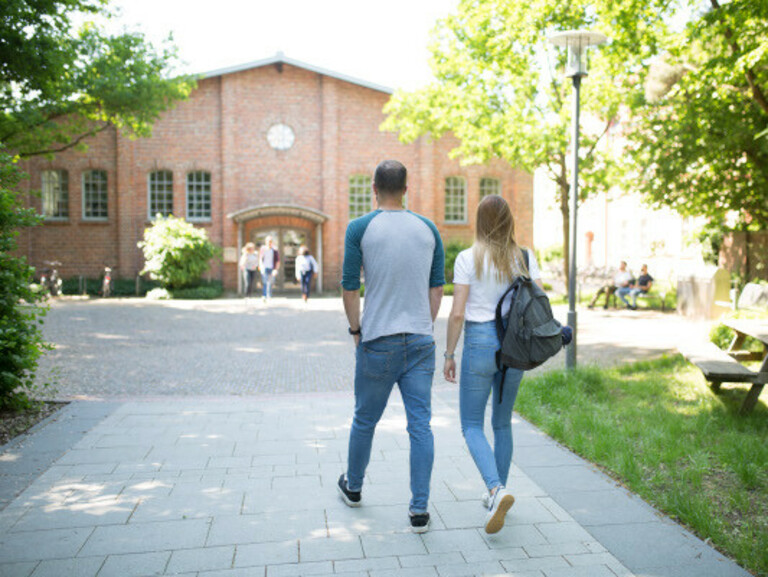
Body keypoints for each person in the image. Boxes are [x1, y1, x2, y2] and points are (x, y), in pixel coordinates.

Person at [337, 159, 445, 534]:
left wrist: (356, 330)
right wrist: (422, 327)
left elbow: (350, 286)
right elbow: (436, 289)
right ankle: (419, 511)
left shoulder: (360, 229)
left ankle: (353, 487)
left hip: (378, 340)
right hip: (420, 342)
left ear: (373, 187)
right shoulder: (428, 229)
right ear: (407, 188)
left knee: (365, 419)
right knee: (421, 426)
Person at [442, 194, 543, 534]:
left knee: (471, 424)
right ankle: (497, 492)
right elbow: (539, 305)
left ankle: (495, 489)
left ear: (479, 221)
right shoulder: (525, 257)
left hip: (480, 342)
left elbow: (457, 313)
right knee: (502, 424)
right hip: (514, 345)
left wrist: (449, 354)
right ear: (510, 219)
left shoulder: (468, 259)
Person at [258, 236, 280, 301]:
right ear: (266, 242)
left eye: (270, 241)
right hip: (264, 267)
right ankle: (264, 295)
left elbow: (278, 260)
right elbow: (260, 258)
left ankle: (269, 295)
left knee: (270, 282)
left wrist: (276, 269)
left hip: (272, 268)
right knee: (264, 282)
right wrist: (260, 267)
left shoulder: (275, 250)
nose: (269, 243)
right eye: (268, 241)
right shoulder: (263, 249)